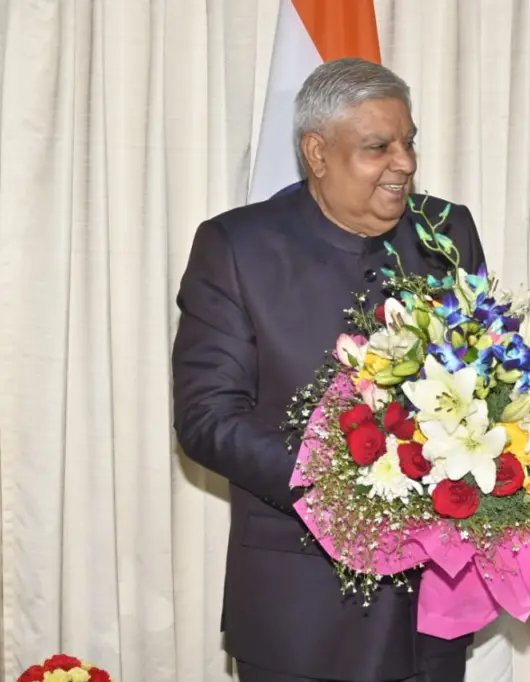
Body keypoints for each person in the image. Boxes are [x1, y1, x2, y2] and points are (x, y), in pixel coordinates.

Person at [172, 58, 484, 682]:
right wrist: (347, 490)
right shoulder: (237, 247)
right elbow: (207, 417)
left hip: (430, 613)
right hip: (301, 609)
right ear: (317, 152)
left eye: (409, 141)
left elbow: (480, 377)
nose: (406, 163)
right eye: (379, 147)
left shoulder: (446, 231)